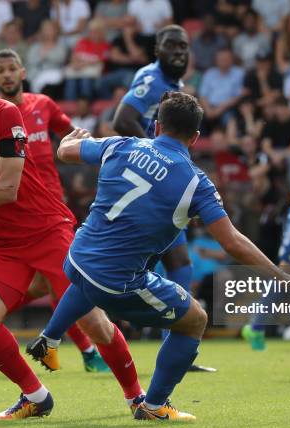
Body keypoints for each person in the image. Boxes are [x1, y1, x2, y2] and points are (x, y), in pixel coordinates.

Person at [0, 32, 142, 420]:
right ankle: (35, 395)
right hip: (0, 244)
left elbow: (7, 189)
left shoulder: (6, 114)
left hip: (49, 230)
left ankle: (138, 398)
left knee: (93, 322)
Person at [26, 92, 290, 420]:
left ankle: (50, 338)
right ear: (195, 138)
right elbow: (232, 242)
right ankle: (153, 407)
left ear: (156, 126)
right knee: (195, 319)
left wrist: (69, 139)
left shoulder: (121, 144)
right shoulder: (197, 183)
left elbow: (66, 152)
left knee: (92, 276)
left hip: (77, 257)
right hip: (119, 281)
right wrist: (279, 274)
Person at [0, 47, 109, 373]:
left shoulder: (43, 105)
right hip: (13, 212)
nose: (7, 74)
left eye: (12, 68)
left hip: (53, 210)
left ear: (23, 72)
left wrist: (90, 146)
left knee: (55, 281)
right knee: (61, 280)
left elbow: (71, 136)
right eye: (0, 70)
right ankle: (87, 352)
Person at [112, 24, 214, 372]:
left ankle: (179, 348)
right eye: (170, 45)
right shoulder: (151, 78)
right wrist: (155, 158)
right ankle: (74, 329)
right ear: (157, 49)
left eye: (183, 46)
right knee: (146, 265)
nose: (178, 52)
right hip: (146, 184)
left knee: (178, 262)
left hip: (156, 185)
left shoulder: (177, 87)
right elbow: (121, 118)